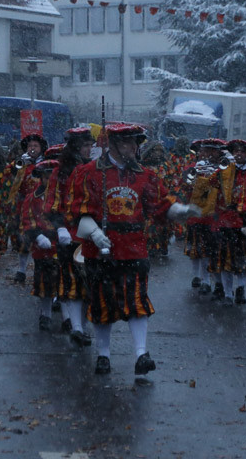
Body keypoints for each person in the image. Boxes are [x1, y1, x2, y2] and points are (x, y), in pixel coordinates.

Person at [68, 123, 171, 376]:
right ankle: (103, 355)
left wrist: (179, 211)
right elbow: (75, 211)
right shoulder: (87, 173)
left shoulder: (145, 175)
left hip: (134, 248)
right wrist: (94, 232)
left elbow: (158, 205)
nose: (134, 147)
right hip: (100, 250)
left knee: (137, 300)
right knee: (102, 304)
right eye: (128, 142)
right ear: (112, 144)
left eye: (136, 142)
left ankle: (141, 353)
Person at [48, 126, 96, 345]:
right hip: (70, 232)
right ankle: (76, 326)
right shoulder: (61, 171)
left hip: (92, 232)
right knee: (72, 280)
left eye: (90, 145)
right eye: (86, 145)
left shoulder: (94, 169)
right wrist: (59, 227)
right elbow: (53, 201)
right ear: (76, 146)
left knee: (91, 282)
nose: (89, 149)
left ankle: (82, 326)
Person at [212, 139, 246, 306]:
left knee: (245, 259)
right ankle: (227, 293)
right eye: (235, 151)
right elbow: (210, 187)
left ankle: (240, 288)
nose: (238, 154)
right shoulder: (224, 170)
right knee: (225, 258)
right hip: (226, 220)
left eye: (242, 151)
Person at [183, 139, 224, 294]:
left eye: (211, 151)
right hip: (195, 214)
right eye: (203, 151)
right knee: (195, 248)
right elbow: (185, 186)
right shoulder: (192, 168)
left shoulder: (222, 170)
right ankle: (196, 276)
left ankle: (206, 280)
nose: (206, 154)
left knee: (208, 250)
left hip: (213, 216)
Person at [23, 159, 60, 331]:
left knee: (64, 282)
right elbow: (27, 221)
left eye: (53, 178)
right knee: (44, 283)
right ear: (41, 178)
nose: (49, 182)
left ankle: (68, 318)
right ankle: (45, 314)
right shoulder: (33, 198)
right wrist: (37, 236)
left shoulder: (63, 197)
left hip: (61, 244)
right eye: (46, 178)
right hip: (43, 246)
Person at [9, 133, 47, 283]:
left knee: (42, 237)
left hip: (42, 205)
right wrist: (20, 164)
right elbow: (11, 172)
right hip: (24, 205)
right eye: (30, 146)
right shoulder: (22, 162)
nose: (32, 148)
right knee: (23, 238)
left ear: (41, 148)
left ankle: (40, 269)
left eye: (35, 146)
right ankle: (21, 270)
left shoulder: (45, 163)